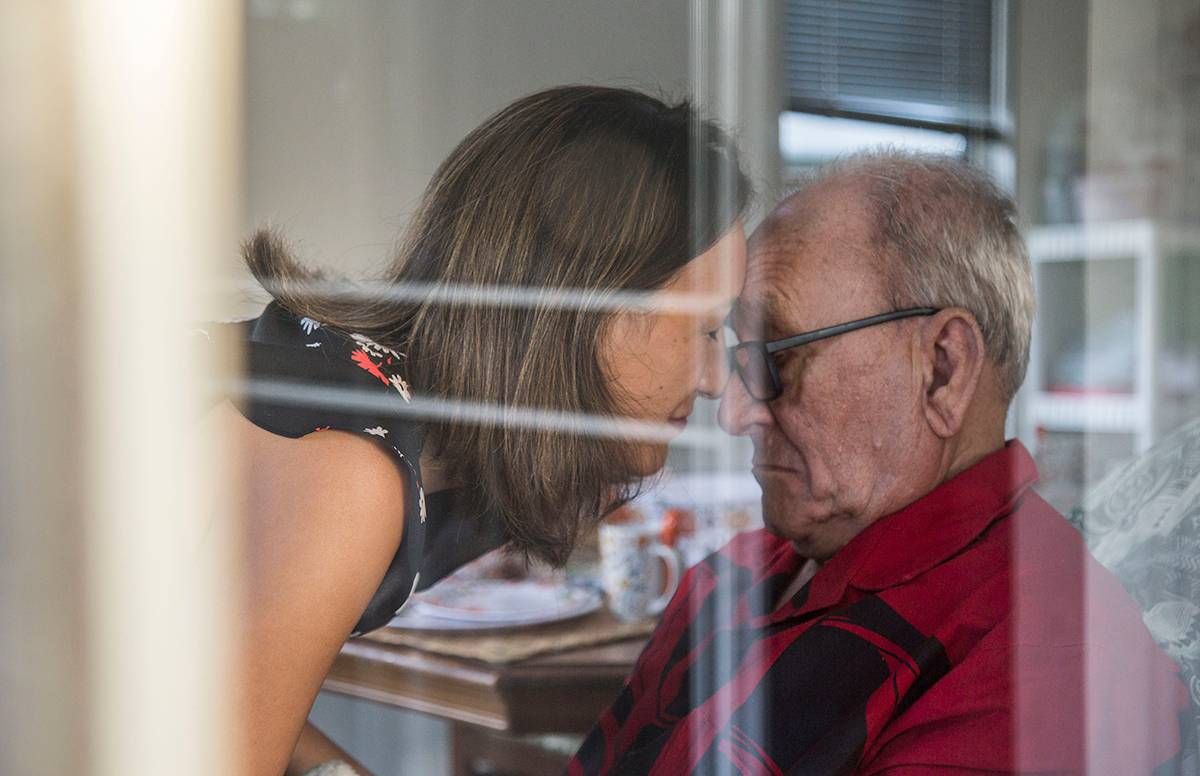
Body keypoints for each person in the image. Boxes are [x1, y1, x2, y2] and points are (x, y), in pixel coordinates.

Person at [568, 152, 1192, 775]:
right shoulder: (730, 574)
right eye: (738, 357)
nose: (734, 413)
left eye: (775, 359)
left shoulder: (1043, 654)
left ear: (943, 370)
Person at [199, 85, 750, 775]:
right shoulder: (353, 469)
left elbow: (214, 697)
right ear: (593, 308)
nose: (713, 379)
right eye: (704, 327)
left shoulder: (414, 444)